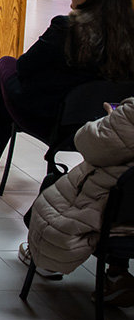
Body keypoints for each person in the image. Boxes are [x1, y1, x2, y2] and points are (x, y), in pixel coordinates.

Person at [0, 0, 134, 183]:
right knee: (5, 93)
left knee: (6, 66)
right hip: (104, 122)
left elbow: (25, 66)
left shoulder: (66, 28)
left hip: (49, 118)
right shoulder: (128, 37)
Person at [22, 97, 134, 306]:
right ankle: (116, 275)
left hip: (113, 216)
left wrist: (110, 122)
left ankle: (46, 261)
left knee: (59, 188)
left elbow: (87, 142)